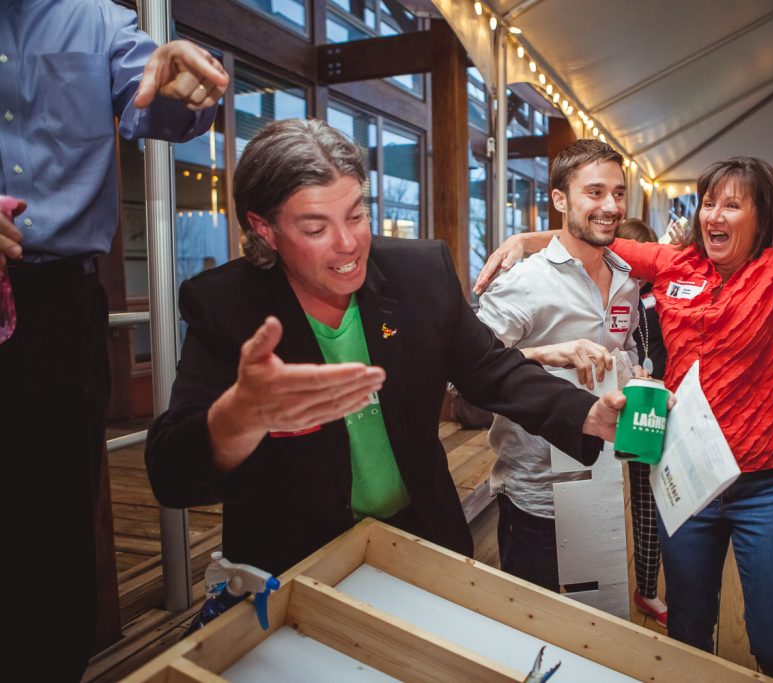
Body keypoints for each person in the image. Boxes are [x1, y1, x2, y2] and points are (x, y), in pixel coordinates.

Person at [476, 7, 773, 678]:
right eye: (707, 202)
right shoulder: (674, 263)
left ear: (761, 216)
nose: (714, 214)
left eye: (732, 204)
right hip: (684, 476)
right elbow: (593, 231)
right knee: (689, 628)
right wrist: (527, 239)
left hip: (765, 482)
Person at [144, 119, 627, 582]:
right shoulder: (226, 306)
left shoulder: (419, 273)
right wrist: (241, 415)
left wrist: (589, 415)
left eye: (356, 214)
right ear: (263, 229)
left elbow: (489, 369)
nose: (348, 243)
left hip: (420, 532)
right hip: (295, 557)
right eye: (315, 229)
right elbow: (171, 473)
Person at [0, 2, 228, 678]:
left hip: (55, 305)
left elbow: (161, 99)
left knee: (56, 522)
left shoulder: (97, 20)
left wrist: (192, 88)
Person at [476, 139, 639, 593]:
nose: (610, 206)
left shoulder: (627, 278)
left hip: (603, 483)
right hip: (537, 491)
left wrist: (638, 376)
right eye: (595, 192)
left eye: (619, 192)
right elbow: (464, 373)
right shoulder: (524, 282)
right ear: (560, 199)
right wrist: (547, 352)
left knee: (593, 617)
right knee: (535, 626)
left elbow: (619, 355)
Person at [615, 218, 668, 626]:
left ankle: (651, 588)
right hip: (639, 405)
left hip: (665, 405)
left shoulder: (660, 296)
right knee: (646, 503)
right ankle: (645, 589)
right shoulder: (624, 299)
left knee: (659, 502)